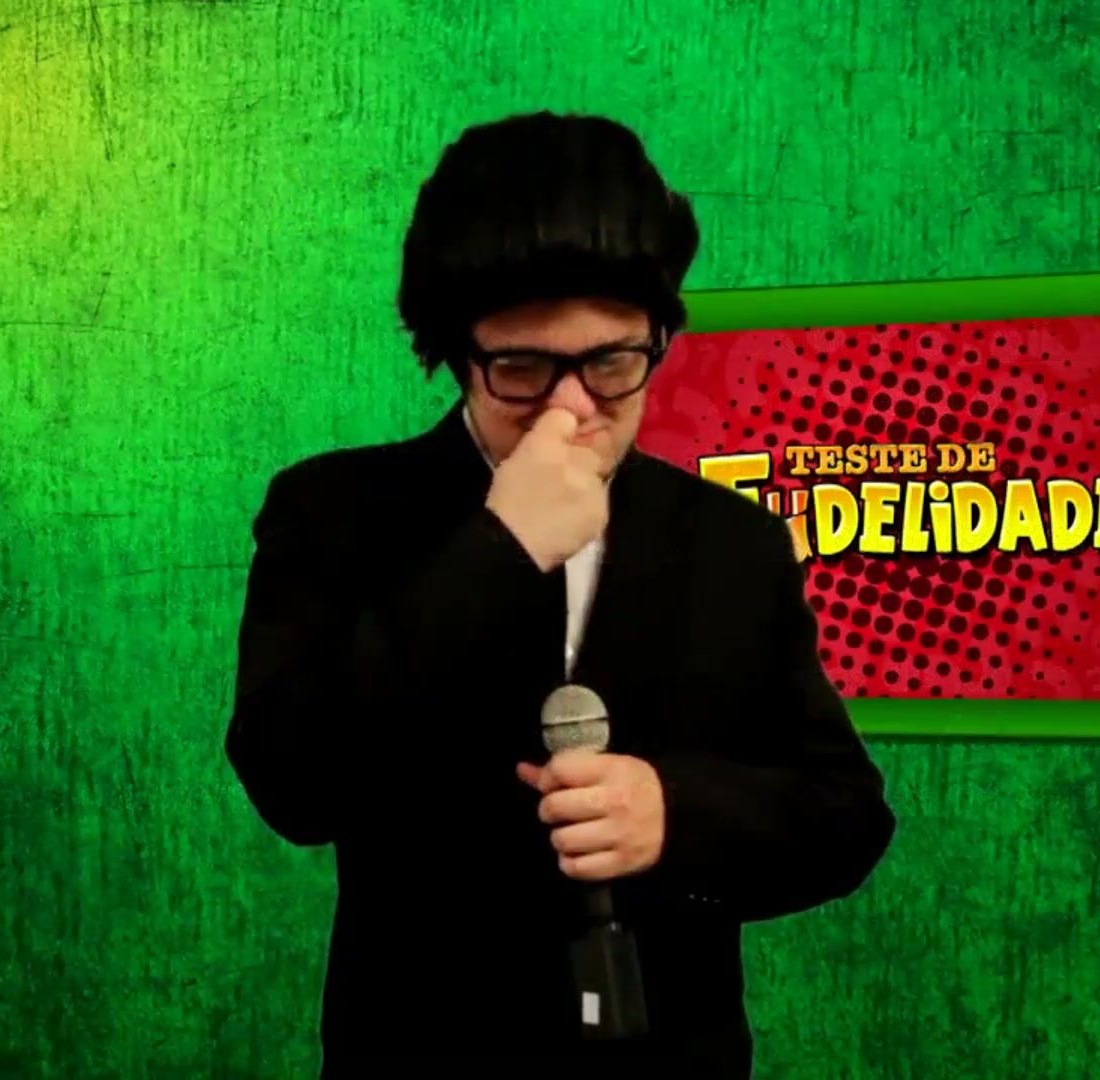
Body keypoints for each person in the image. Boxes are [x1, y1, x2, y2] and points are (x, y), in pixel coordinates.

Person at [226, 111, 896, 1078]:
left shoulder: (732, 541)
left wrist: (676, 814)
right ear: (456, 353)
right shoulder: (332, 511)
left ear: (658, 339)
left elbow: (846, 815)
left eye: (613, 362)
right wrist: (497, 551)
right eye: (523, 368)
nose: (573, 410)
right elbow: (292, 781)